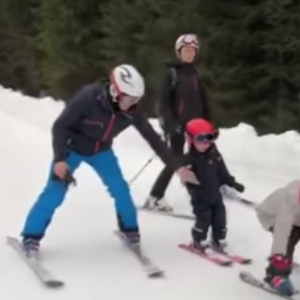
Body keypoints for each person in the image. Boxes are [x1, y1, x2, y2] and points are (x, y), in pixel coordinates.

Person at [20, 64, 198, 256]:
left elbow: (153, 139)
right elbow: (60, 127)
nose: (133, 103)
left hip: (101, 151)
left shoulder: (132, 110)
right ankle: (31, 236)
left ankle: (129, 229)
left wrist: (177, 167)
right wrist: (59, 159)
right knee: (55, 192)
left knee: (121, 190)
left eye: (137, 99)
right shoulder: (88, 98)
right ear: (115, 91)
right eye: (129, 98)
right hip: (72, 149)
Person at [144, 33, 211, 212]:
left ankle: (209, 192)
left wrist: (209, 124)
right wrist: (171, 124)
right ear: (178, 52)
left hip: (196, 126)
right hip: (178, 126)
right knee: (175, 160)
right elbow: (163, 103)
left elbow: (203, 101)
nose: (189, 53)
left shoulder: (196, 74)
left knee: (205, 157)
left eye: (192, 50)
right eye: (186, 50)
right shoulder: (171, 73)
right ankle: (155, 197)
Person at [181, 118, 244, 250]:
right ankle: (198, 241)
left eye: (208, 138)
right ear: (191, 139)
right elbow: (187, 180)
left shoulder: (214, 154)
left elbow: (222, 171)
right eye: (200, 139)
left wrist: (232, 183)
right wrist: (194, 189)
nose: (205, 143)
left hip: (216, 195)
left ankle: (217, 239)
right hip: (200, 197)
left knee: (220, 218)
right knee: (204, 219)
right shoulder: (188, 159)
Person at [255, 180, 300, 296]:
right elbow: (282, 232)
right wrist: (279, 256)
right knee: (289, 240)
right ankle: (274, 275)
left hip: (296, 218)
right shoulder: (290, 203)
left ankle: (285, 261)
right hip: (270, 216)